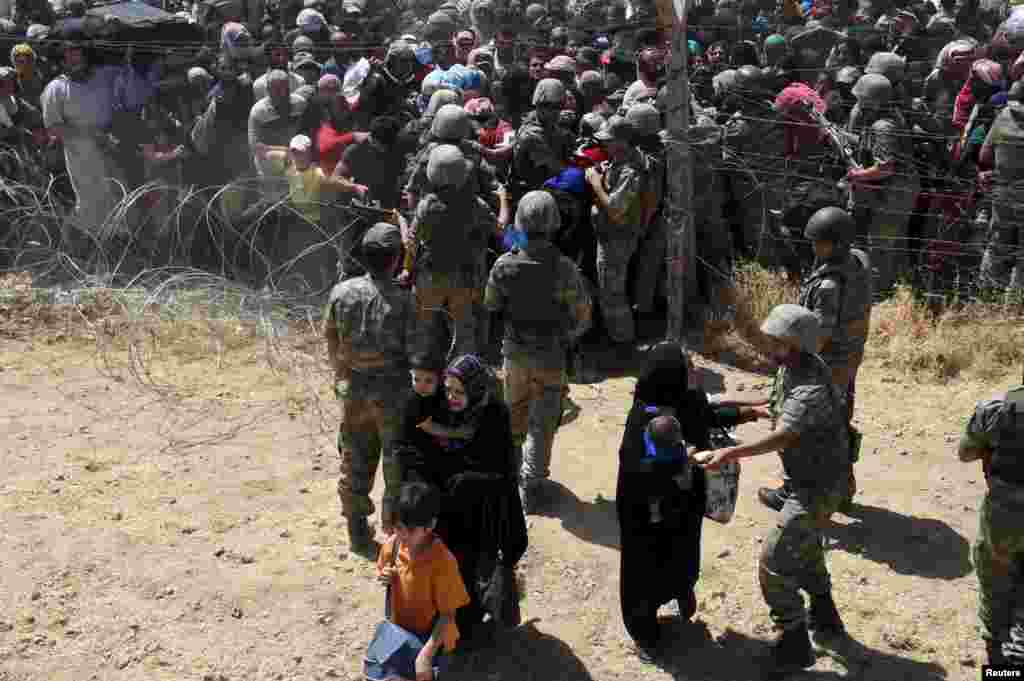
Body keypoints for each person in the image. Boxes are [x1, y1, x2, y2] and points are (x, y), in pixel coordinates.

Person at [696, 304, 850, 678]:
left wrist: (730, 452)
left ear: (795, 344)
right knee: (808, 548)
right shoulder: (792, 369)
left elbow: (784, 434)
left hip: (818, 488)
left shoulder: (811, 388)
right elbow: (776, 404)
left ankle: (794, 641)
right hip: (809, 481)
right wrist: (734, 405)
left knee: (774, 562)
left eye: (776, 339)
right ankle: (825, 617)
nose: (768, 344)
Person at [619, 342, 769, 661]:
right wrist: (677, 463)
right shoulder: (643, 418)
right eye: (688, 367)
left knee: (684, 554)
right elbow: (636, 471)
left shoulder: (684, 400)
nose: (696, 370)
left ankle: (680, 591)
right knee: (644, 573)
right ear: (670, 376)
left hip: (683, 507)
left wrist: (748, 412)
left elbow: (707, 415)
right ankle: (645, 634)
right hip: (649, 517)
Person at [401, 354, 528, 647]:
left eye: (460, 392)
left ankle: (467, 627)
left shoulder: (494, 414)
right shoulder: (442, 409)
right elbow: (423, 448)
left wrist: (464, 480)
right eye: (448, 390)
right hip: (447, 510)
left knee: (470, 572)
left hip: (481, 511)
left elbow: (501, 473)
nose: (452, 398)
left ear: (475, 389)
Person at [484, 190, 592, 513]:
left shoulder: (504, 265)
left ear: (520, 222)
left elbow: (491, 304)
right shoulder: (565, 269)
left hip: (514, 354)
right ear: (554, 224)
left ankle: (510, 473)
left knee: (514, 414)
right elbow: (582, 316)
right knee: (543, 423)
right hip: (551, 356)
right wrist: (567, 337)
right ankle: (530, 486)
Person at [759, 207, 871, 513]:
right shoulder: (857, 262)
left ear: (837, 244)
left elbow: (817, 338)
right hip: (848, 362)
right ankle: (843, 489)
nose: (813, 247)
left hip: (824, 366)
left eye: (819, 242)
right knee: (838, 425)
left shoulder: (828, 287)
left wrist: (790, 357)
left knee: (802, 428)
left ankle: (794, 490)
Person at [326, 222, 415, 557]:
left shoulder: (341, 292)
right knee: (396, 463)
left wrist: (343, 377)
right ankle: (395, 534)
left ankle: (356, 529)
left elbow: (332, 340)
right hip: (392, 391)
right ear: (395, 259)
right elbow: (416, 349)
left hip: (355, 387)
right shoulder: (405, 301)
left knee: (355, 457)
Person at [404, 144, 498, 358]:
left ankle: (421, 373)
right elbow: (499, 229)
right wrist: (503, 202)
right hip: (463, 277)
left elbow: (412, 241)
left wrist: (407, 269)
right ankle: (463, 374)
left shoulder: (426, 205)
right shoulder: (476, 204)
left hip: (430, 276)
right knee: (464, 331)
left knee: (423, 328)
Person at [376, 482, 472, 681]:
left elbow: (447, 616)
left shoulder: (442, 562)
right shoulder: (393, 546)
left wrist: (426, 655)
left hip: (434, 643)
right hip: (401, 633)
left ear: (430, 526)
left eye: (410, 531)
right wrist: (386, 576)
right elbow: (384, 571)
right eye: (399, 528)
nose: (402, 535)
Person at [959, 376, 1024, 668]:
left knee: (994, 586)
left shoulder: (997, 409)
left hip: (1005, 515)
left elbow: (966, 452)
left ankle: (999, 666)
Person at [586, 115, 645, 346]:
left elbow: (615, 210)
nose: (605, 145)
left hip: (616, 241)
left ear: (622, 142)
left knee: (613, 295)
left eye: (609, 141)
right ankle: (619, 336)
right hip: (610, 237)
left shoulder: (630, 171)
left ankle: (622, 342)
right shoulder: (619, 162)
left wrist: (596, 183)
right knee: (610, 291)